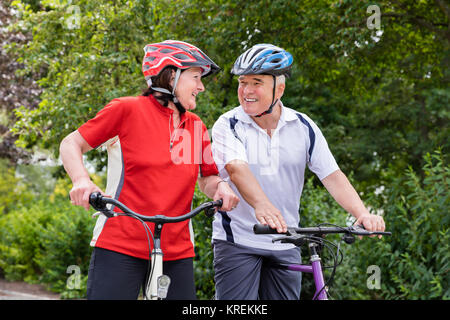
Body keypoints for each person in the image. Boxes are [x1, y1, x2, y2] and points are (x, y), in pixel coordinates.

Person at [59, 40, 239, 300]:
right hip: (120, 241)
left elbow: (207, 178)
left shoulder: (195, 126)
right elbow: (70, 143)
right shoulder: (127, 109)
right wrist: (81, 180)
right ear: (171, 75)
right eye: (196, 77)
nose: (201, 86)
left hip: (176, 249)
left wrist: (220, 187)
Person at [211, 43, 386, 300]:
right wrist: (263, 206)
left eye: (256, 82)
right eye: (242, 82)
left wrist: (362, 213)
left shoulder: (303, 126)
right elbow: (236, 169)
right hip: (238, 241)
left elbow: (332, 175)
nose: (246, 90)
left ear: (279, 88)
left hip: (286, 240)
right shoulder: (229, 124)